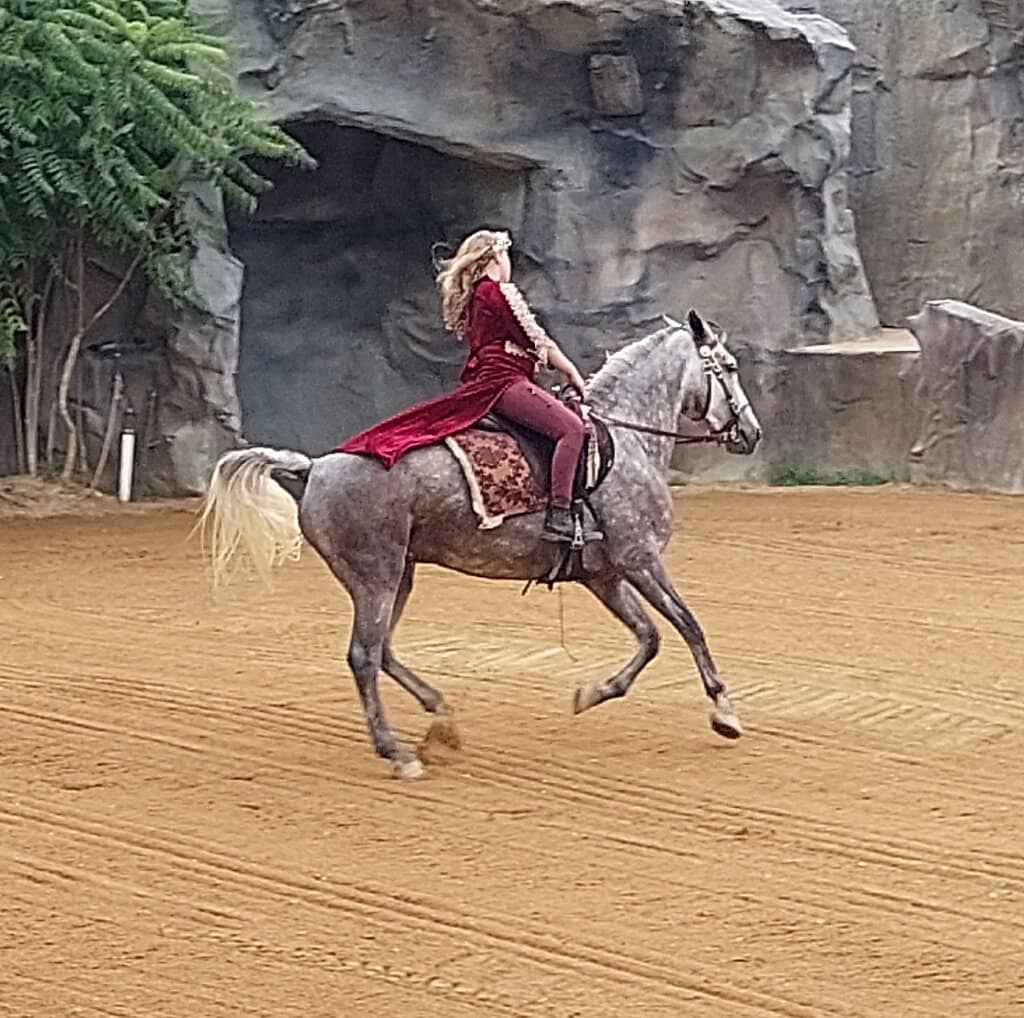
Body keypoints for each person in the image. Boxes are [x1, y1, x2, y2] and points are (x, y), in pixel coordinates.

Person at [338, 229, 589, 542]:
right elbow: (536, 338)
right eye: (506, 256)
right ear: (496, 257)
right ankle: (560, 515)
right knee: (572, 429)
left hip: (496, 379)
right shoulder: (497, 292)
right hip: (505, 382)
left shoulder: (479, 295)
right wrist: (571, 372)